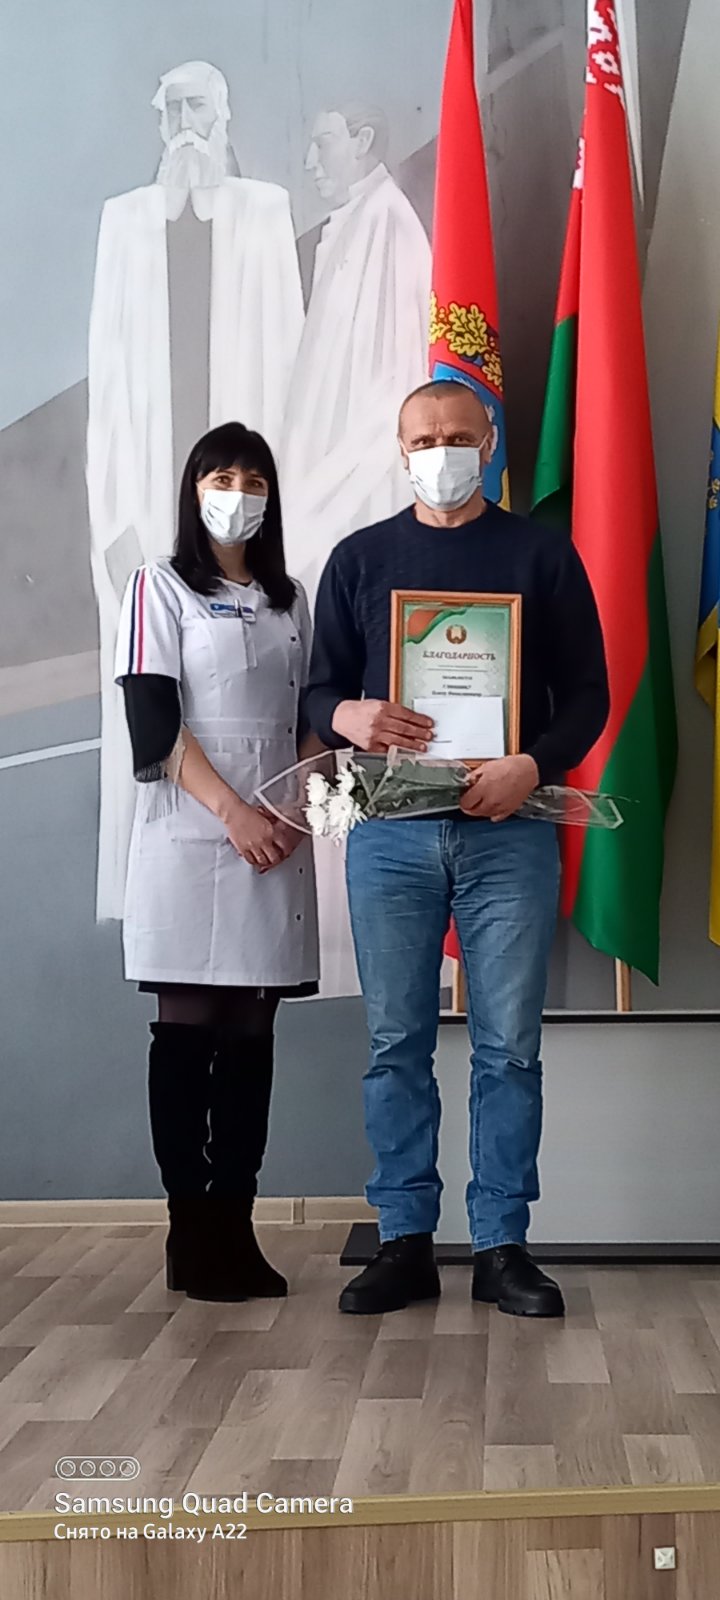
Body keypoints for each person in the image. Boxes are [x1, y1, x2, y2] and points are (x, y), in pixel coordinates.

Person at [304, 380, 610, 1319]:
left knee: (509, 1049)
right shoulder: (360, 559)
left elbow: (589, 694)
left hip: (509, 834)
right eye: (424, 438)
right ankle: (404, 1240)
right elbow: (316, 692)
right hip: (389, 836)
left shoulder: (540, 552)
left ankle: (501, 1246)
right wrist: (349, 716)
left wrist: (533, 763)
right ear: (402, 451)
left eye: (458, 436)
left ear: (490, 442)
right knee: (395, 1043)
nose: (441, 451)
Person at [88, 61, 305, 926]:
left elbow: (285, 353)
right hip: (151, 485)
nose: (186, 123)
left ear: (224, 116)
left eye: (198, 108)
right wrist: (111, 512)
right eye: (172, 108)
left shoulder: (265, 209)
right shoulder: (124, 221)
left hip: (239, 461)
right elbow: (108, 370)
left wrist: (265, 490)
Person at [114, 422, 319, 1303]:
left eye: (253, 479)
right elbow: (154, 721)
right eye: (220, 477)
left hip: (274, 837)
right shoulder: (158, 587)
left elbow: (310, 713)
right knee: (188, 1032)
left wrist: (297, 805)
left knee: (251, 1039)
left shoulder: (290, 599)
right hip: (195, 834)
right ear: (194, 489)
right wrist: (235, 813)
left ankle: (236, 1223)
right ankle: (189, 1228)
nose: (238, 493)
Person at [280, 101, 431, 997]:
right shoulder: (347, 227)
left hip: (351, 504)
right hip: (320, 493)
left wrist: (313, 497)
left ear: (366, 141)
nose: (309, 157)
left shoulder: (391, 231)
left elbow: (388, 400)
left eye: (322, 139)